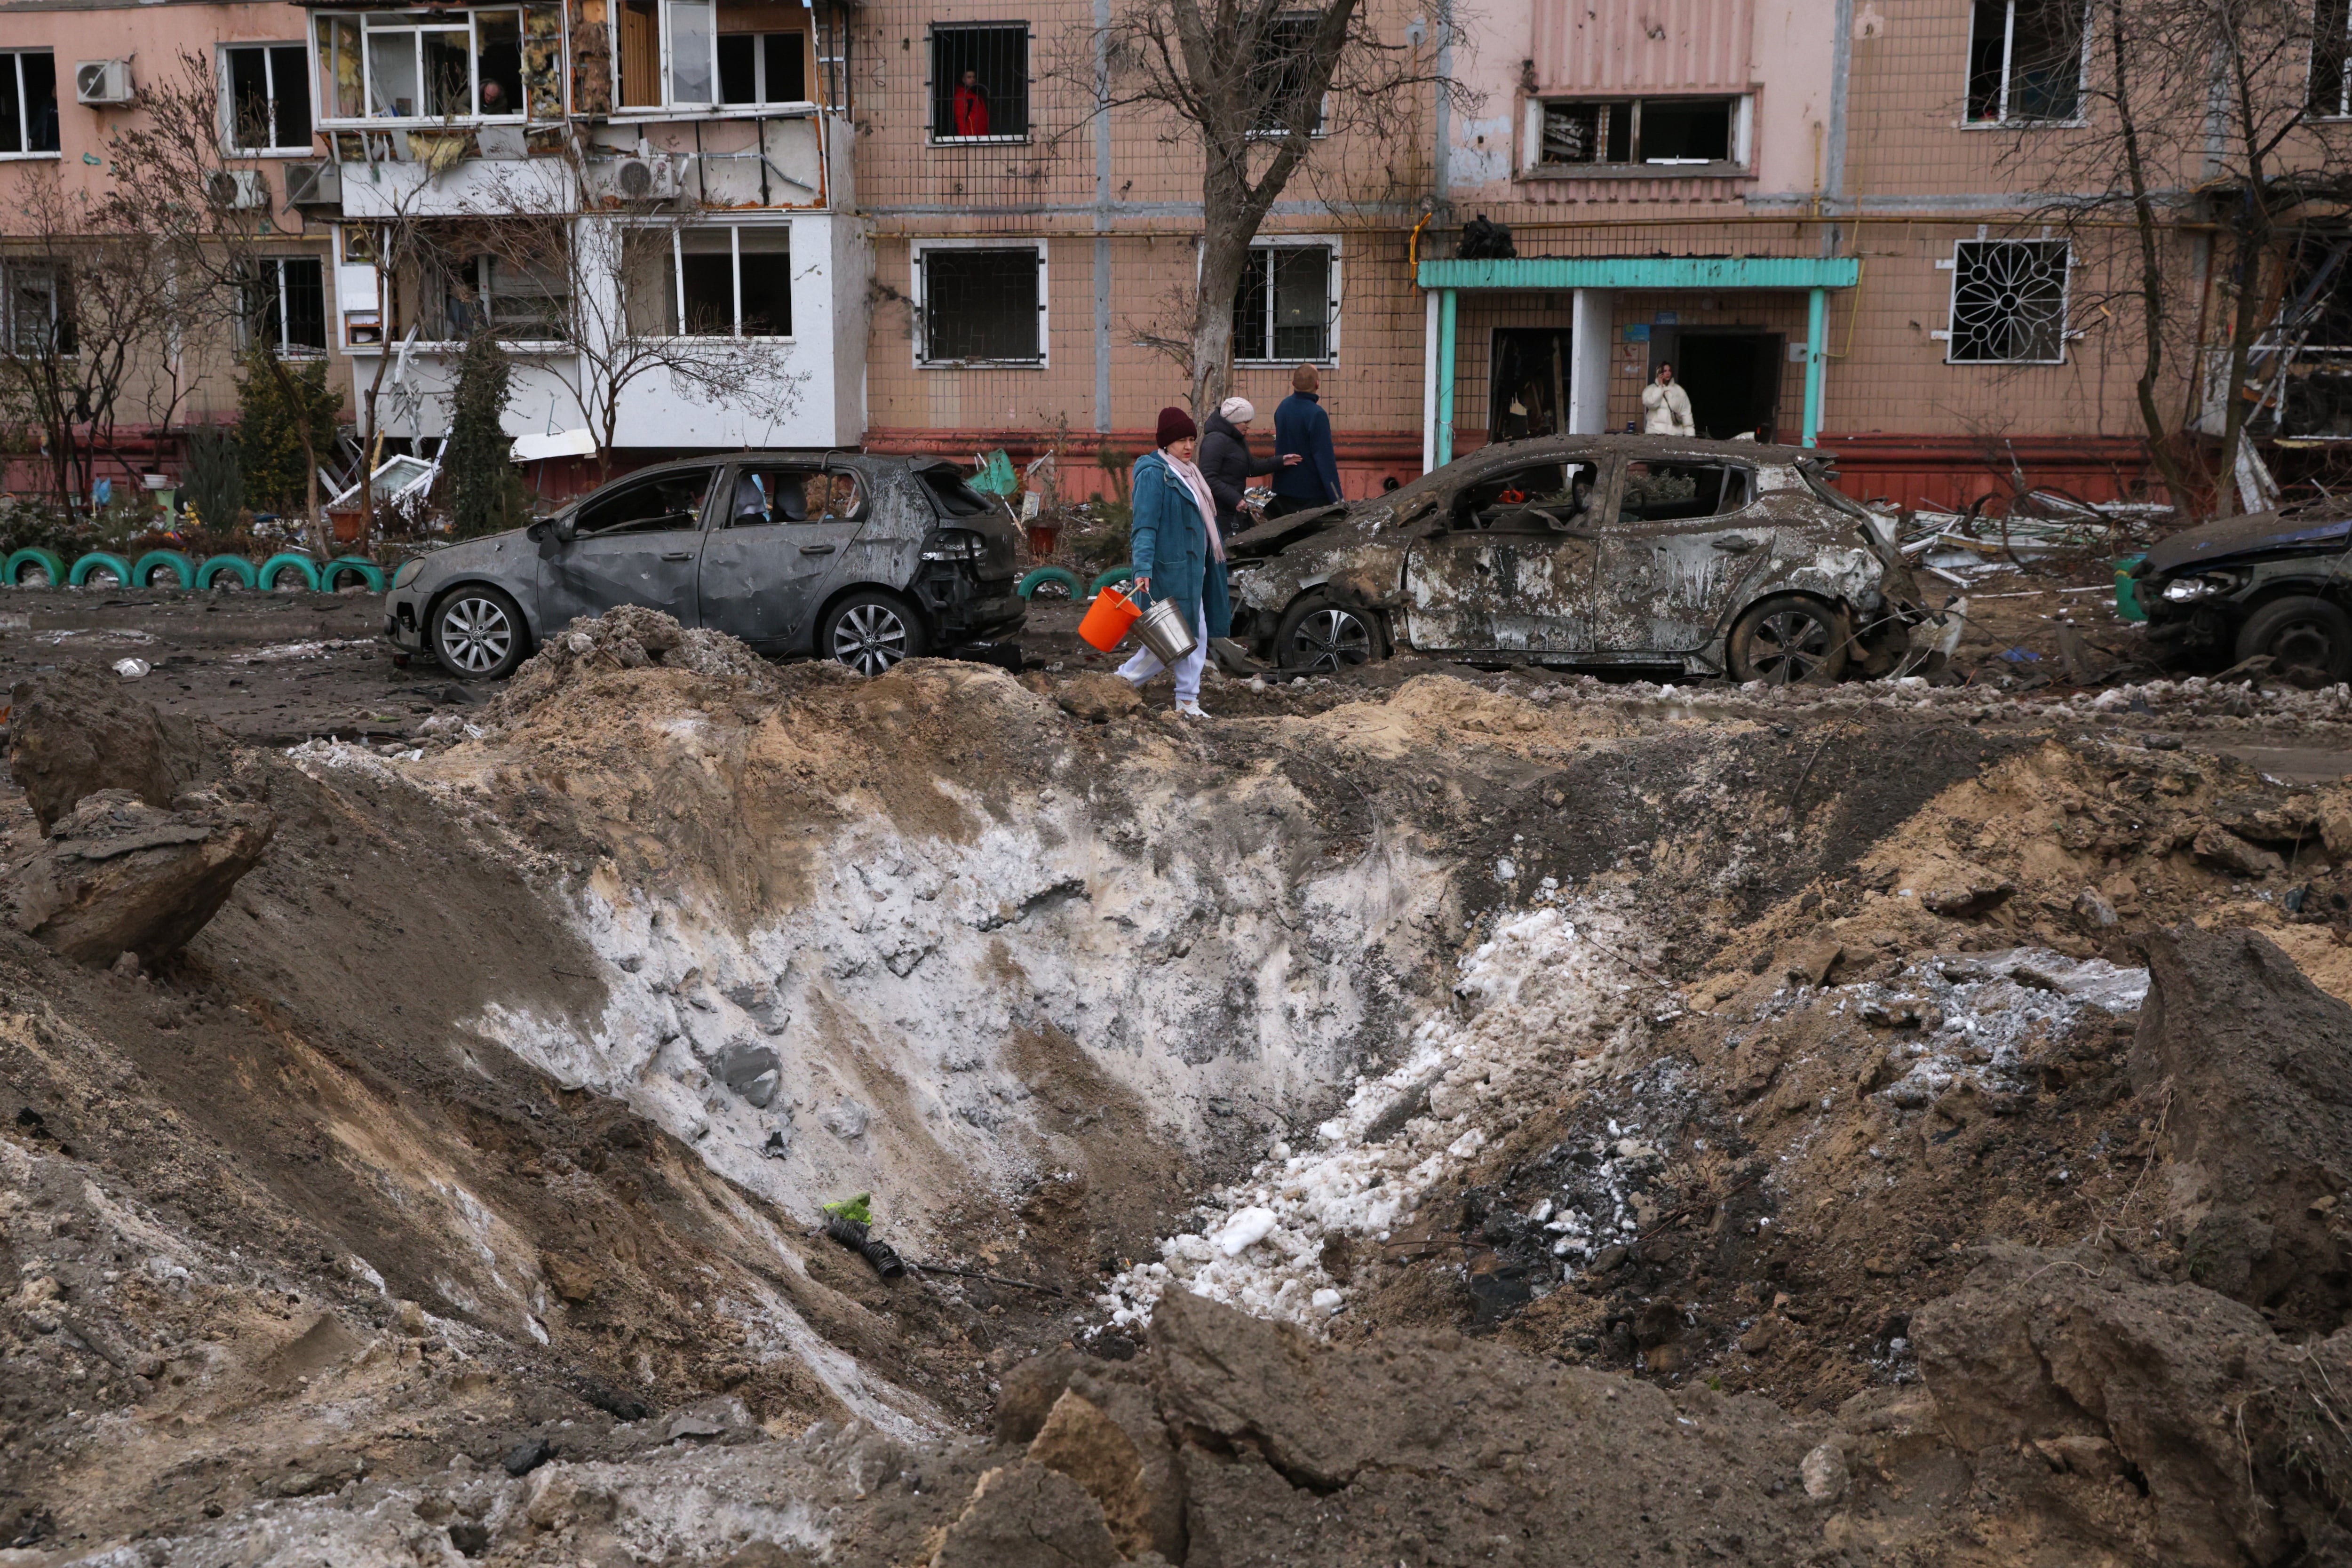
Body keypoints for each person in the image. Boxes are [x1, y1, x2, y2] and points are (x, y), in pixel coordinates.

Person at [1119, 406, 1221, 718]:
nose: (1188, 446)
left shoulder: (1189, 473)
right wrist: (1143, 569)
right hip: (1167, 572)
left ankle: (1187, 701)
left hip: (1192, 571)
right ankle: (1119, 685)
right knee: (1166, 642)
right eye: (1181, 441)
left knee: (1193, 635)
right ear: (1166, 443)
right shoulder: (1155, 473)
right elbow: (1144, 527)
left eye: (1192, 439)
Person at [1196, 397, 1295, 674]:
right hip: (1221, 516)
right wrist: (1234, 499)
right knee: (1223, 573)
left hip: (1233, 513)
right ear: (1233, 421)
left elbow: (1249, 467)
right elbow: (1208, 478)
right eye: (1245, 423)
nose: (1248, 428)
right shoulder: (1215, 441)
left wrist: (1280, 462)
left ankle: (1229, 632)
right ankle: (1214, 637)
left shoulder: (1235, 439)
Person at [1270, 365, 1343, 518]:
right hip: (1311, 494)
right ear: (1317, 384)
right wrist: (1337, 498)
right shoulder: (1317, 414)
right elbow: (1325, 458)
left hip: (1284, 490)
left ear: (1293, 383)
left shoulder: (1283, 407)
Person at [1643, 361, 1694, 437]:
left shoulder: (1679, 391)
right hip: (1656, 433)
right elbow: (1652, 404)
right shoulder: (1650, 390)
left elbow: (1686, 412)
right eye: (1665, 371)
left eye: (1670, 371)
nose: (1668, 373)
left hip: (1675, 434)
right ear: (1659, 373)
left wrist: (1690, 433)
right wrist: (1660, 388)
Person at [953, 69, 990, 136]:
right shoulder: (961, 95)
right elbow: (960, 119)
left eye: (974, 77)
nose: (972, 79)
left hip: (982, 135)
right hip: (972, 136)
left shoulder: (976, 94)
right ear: (963, 79)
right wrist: (966, 137)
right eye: (969, 77)